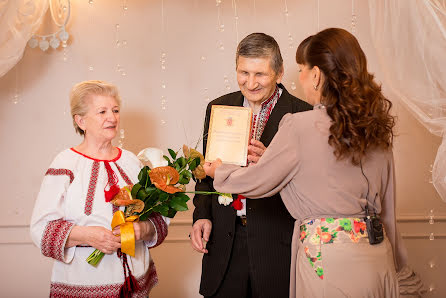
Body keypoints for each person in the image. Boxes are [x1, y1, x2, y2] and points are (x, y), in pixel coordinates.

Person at [205, 28, 423, 297]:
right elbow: (388, 211)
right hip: (378, 257)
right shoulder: (376, 129)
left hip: (326, 260)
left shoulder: (300, 124)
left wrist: (219, 171)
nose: (302, 78)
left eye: (302, 70)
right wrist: (399, 267)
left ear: (317, 75)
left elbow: (256, 182)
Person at [190, 33, 312, 298]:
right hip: (223, 243)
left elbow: (311, 184)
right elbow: (205, 171)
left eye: (260, 74)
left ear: (279, 73)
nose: (251, 82)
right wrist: (201, 214)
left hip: (276, 245)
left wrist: (273, 162)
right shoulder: (217, 107)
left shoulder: (304, 114)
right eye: (243, 72)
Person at [30, 80, 169, 297]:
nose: (112, 118)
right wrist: (87, 236)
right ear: (81, 121)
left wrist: (144, 229)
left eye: (115, 110)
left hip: (134, 278)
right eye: (102, 112)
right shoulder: (65, 163)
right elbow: (41, 228)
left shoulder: (132, 162)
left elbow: (158, 217)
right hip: (82, 281)